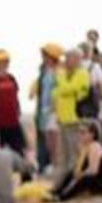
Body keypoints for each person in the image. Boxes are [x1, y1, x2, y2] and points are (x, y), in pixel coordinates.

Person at [51, 49, 92, 187]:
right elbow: (55, 93)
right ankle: (61, 182)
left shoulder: (82, 73)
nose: (65, 61)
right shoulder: (69, 74)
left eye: (68, 58)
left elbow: (69, 89)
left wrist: (61, 78)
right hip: (63, 119)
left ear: (76, 59)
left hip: (74, 119)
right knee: (63, 154)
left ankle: (72, 183)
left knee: (74, 154)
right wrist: (63, 89)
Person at [53, 122, 102, 201]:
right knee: (71, 173)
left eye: (83, 133)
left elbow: (93, 170)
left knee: (83, 178)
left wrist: (80, 175)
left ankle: (62, 197)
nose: (80, 135)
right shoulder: (85, 147)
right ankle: (57, 192)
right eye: (79, 132)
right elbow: (79, 167)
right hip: (98, 180)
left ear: (92, 134)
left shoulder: (95, 146)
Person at [30, 44, 61, 175]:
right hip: (42, 110)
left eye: (45, 55)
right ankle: (43, 166)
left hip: (54, 112)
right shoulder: (43, 72)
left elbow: (60, 91)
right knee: (42, 139)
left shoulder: (59, 72)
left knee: (53, 142)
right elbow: (36, 89)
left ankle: (53, 166)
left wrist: (54, 108)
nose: (43, 58)